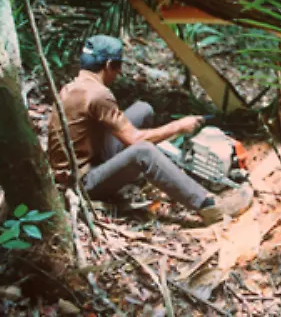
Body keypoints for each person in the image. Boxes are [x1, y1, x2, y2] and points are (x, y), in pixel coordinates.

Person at [47, 35, 252, 225]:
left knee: (143, 110)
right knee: (143, 152)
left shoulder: (74, 87)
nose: (118, 73)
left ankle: (144, 176)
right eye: (118, 66)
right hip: (83, 181)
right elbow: (134, 140)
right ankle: (209, 207)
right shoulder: (98, 94)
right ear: (109, 65)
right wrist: (178, 126)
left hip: (87, 159)